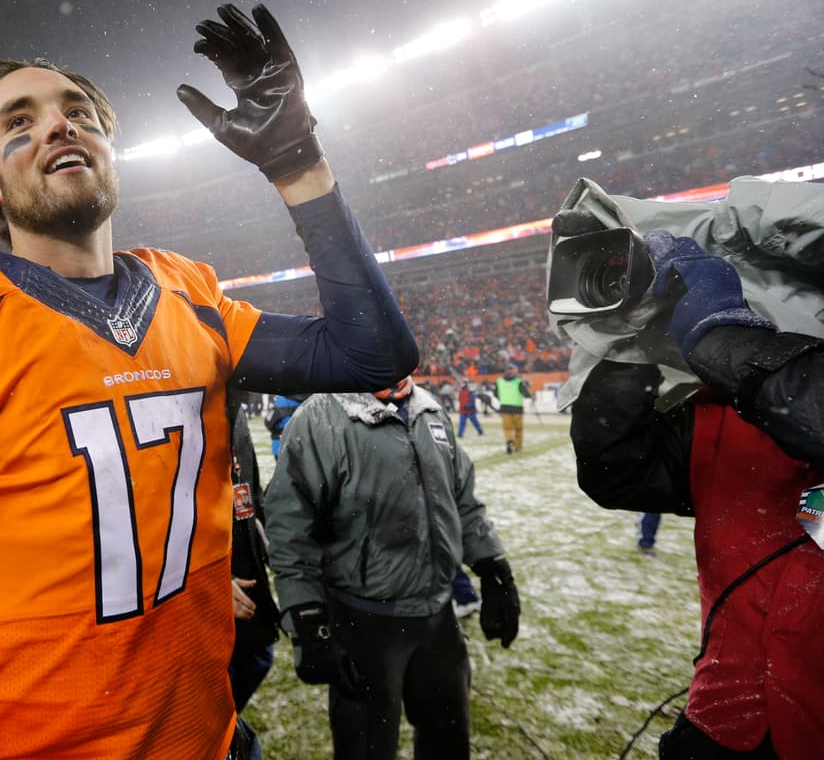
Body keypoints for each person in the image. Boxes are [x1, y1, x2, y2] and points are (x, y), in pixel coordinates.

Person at [0, 2, 419, 760]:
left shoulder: (189, 296)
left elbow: (374, 354)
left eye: (76, 111)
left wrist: (298, 163)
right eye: (19, 121)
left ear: (109, 147)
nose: (57, 124)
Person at [569, 231, 823, 759]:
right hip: (720, 728)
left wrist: (719, 336)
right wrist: (634, 336)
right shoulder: (726, 413)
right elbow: (617, 469)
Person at [265, 375, 520, 760]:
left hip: (438, 617)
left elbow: (461, 500)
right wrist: (305, 616)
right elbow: (289, 527)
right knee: (367, 749)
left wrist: (493, 568)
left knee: (448, 742)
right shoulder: (319, 416)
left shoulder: (428, 408)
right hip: (364, 620)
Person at [227, 390, 280, 718]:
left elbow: (249, 486)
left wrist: (263, 529)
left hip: (244, 549)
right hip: (216, 567)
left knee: (258, 655)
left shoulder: (234, 409)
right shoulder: (188, 404)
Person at [495, 364, 531, 453]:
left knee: (507, 428)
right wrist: (531, 394)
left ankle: (509, 440)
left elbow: (495, 393)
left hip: (504, 408)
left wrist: (503, 398)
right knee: (518, 429)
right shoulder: (519, 382)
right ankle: (518, 447)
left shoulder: (499, 381)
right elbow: (526, 394)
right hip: (517, 409)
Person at [264, 392, 304, 458]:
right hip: (303, 447)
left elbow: (268, 422)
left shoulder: (281, 400)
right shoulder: (311, 400)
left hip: (280, 446)